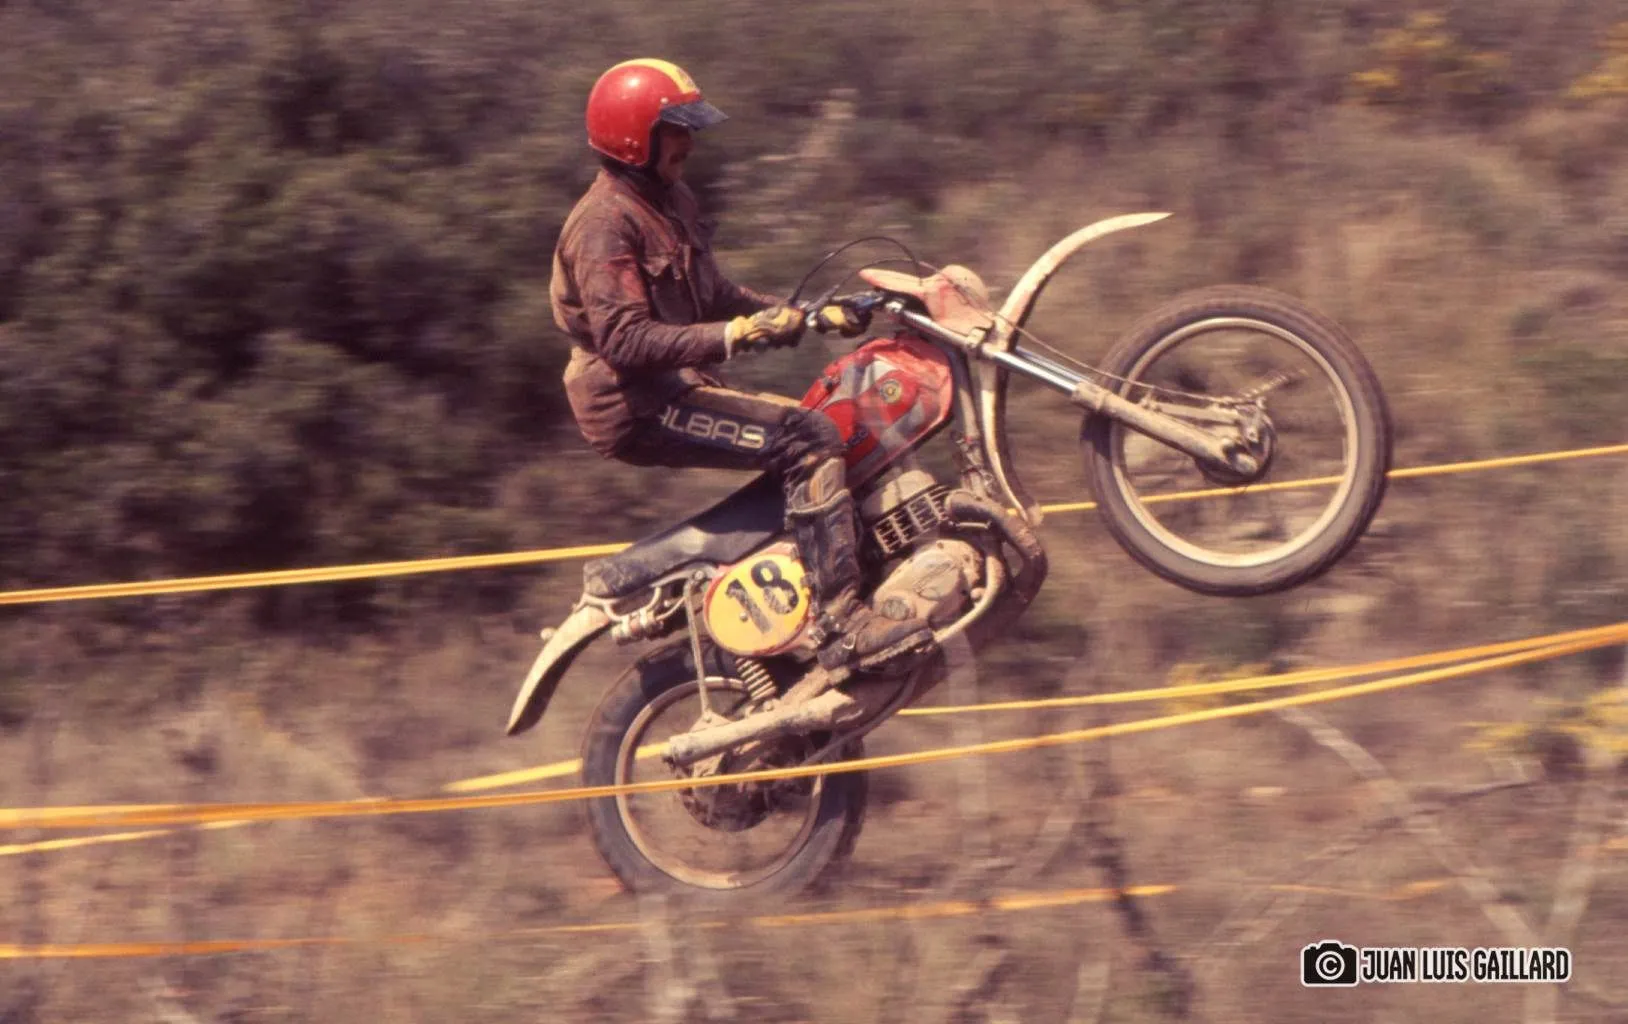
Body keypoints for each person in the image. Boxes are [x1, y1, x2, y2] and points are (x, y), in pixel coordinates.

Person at [549, 58, 932, 674]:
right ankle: (843, 624)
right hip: (634, 404)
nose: (689, 142)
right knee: (810, 439)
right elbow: (624, 341)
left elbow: (715, 293)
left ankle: (811, 589)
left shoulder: (670, 199)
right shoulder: (603, 224)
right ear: (634, 138)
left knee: (832, 425)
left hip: (676, 385)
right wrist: (737, 335)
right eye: (676, 129)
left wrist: (807, 315)